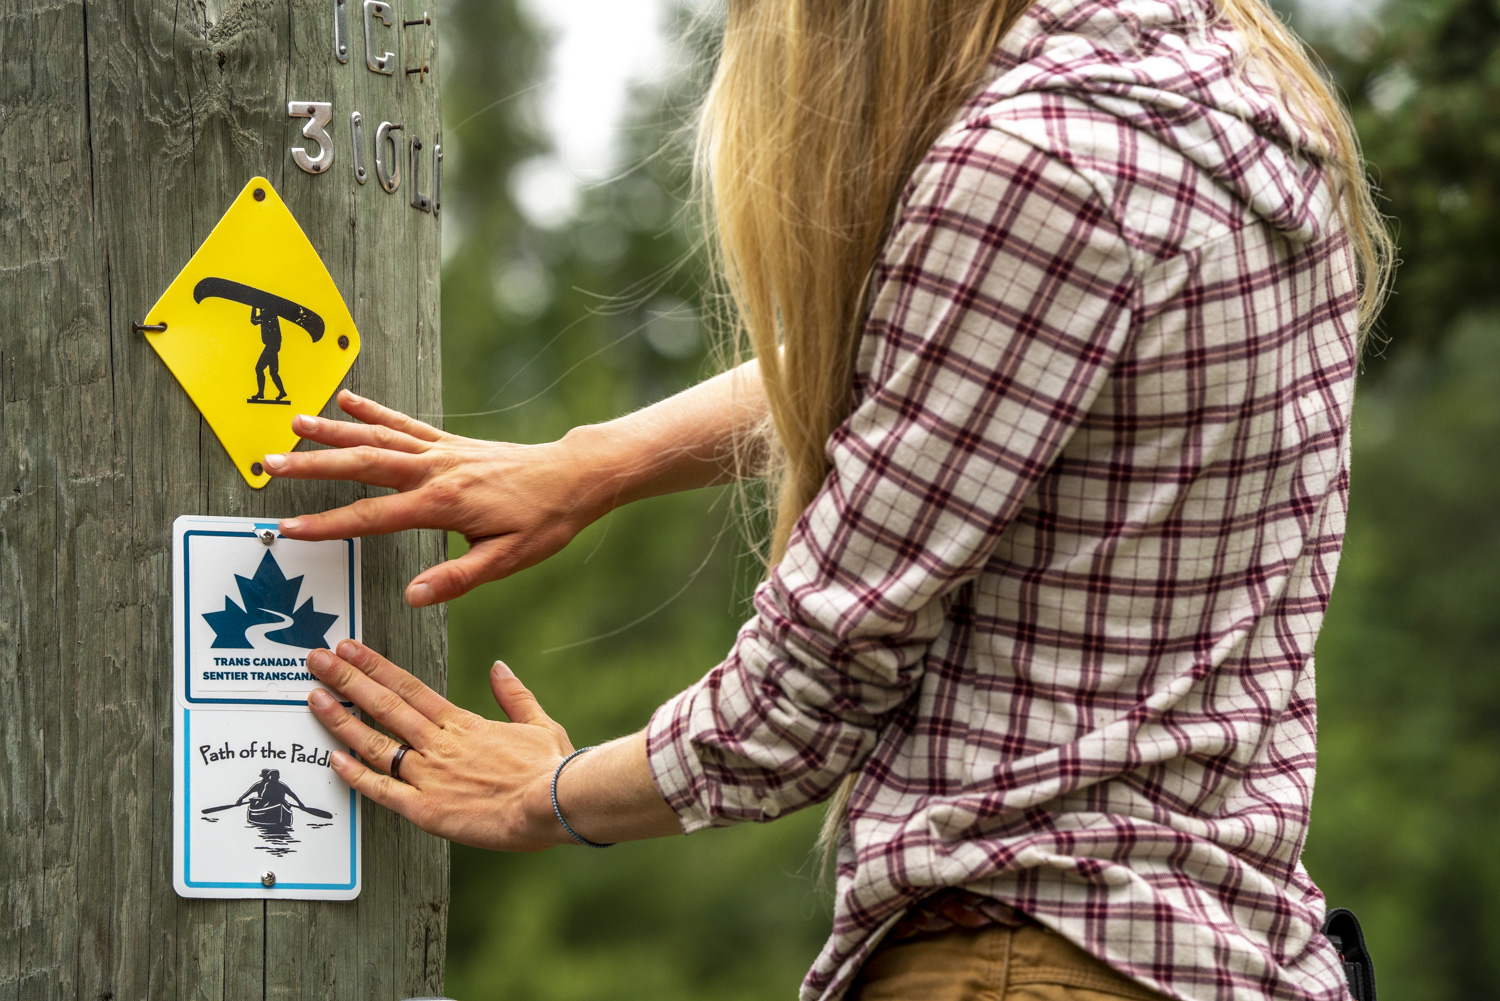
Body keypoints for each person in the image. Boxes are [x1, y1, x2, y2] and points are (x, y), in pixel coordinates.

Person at [264, 1, 1393, 999]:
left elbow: (796, 702)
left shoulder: (1033, 164)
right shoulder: (1251, 111)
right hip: (1237, 950)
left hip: (1031, 950)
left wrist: (548, 792)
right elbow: (965, 355)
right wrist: (596, 461)